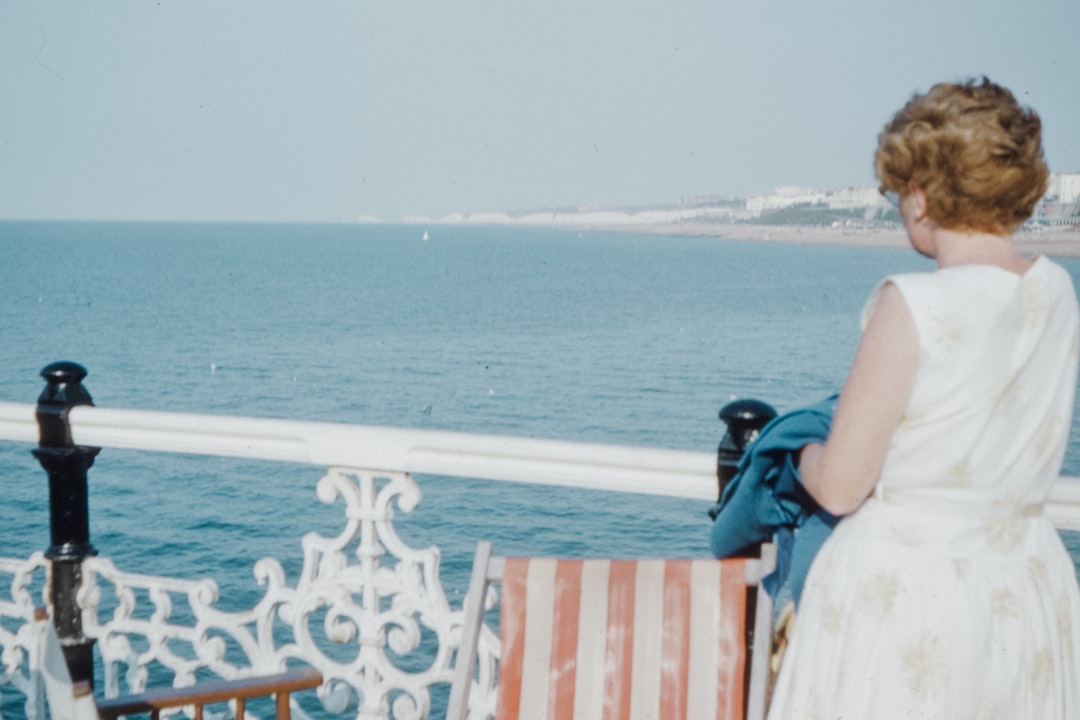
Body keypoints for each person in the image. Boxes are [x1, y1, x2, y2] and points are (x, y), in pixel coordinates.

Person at [766, 78, 1080, 718]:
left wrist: (798, 454)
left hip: (910, 591)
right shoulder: (1057, 293)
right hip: (1022, 580)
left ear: (921, 195)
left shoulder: (911, 305)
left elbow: (842, 486)